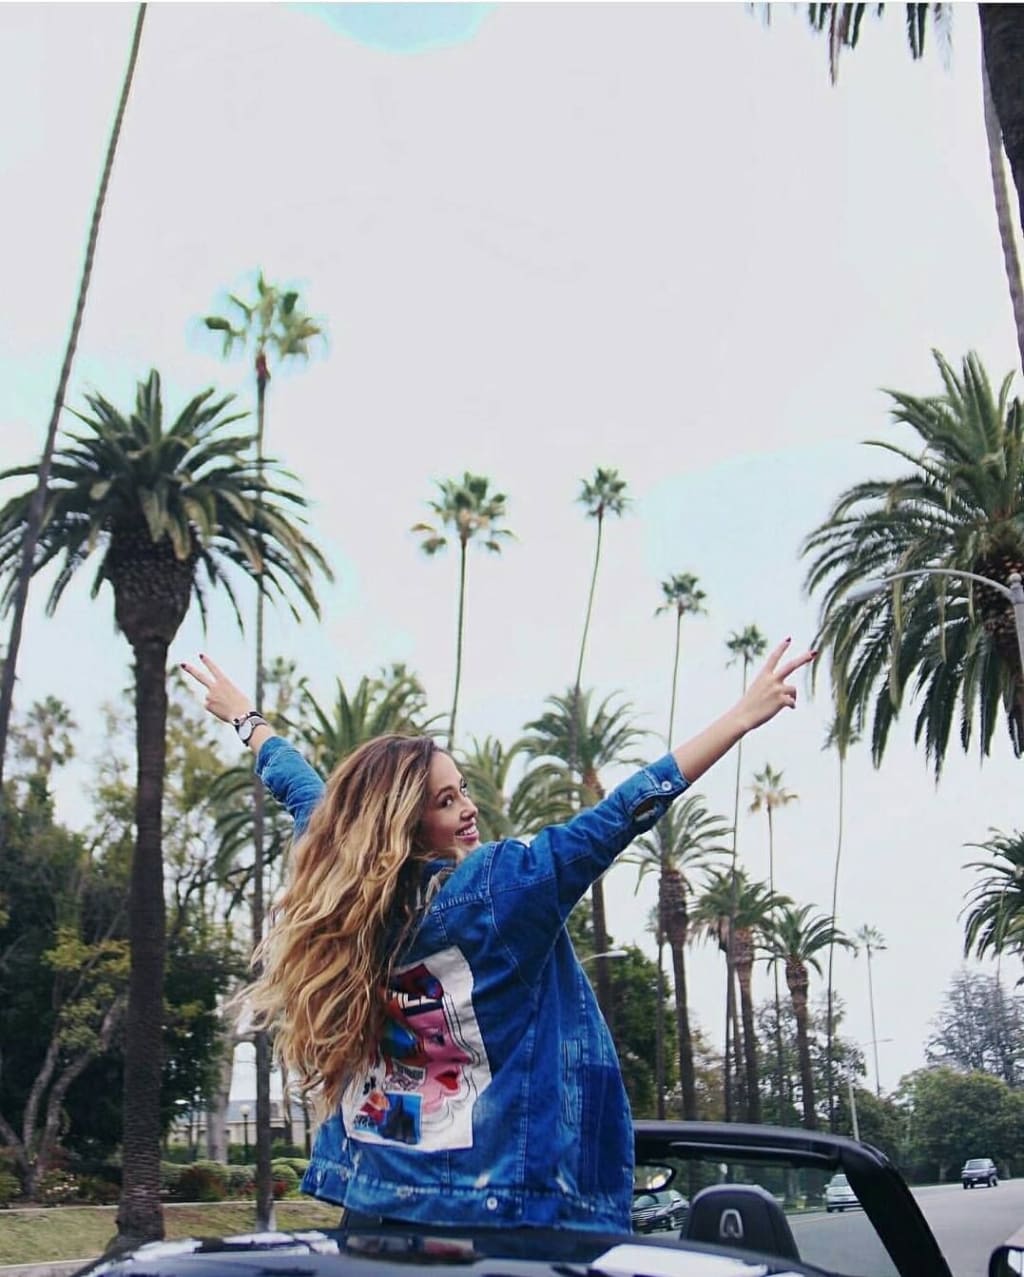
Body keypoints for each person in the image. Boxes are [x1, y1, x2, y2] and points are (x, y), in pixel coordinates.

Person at [182, 638, 813, 1233]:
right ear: (402, 823)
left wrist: (248, 721)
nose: (468, 808)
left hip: (377, 1203)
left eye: (463, 791)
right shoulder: (505, 888)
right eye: (445, 801)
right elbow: (621, 813)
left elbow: (304, 792)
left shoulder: (351, 892)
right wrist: (739, 718)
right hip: (492, 1217)